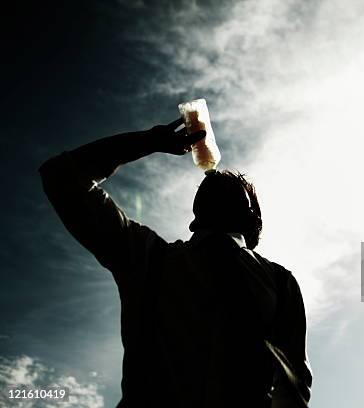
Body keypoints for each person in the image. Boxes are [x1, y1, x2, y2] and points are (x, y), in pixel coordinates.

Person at [39, 119, 312, 407]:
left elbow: (292, 388)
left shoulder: (282, 283)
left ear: (252, 220)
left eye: (235, 188)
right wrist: (149, 141)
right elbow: (61, 176)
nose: (216, 178)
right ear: (193, 217)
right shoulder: (145, 257)